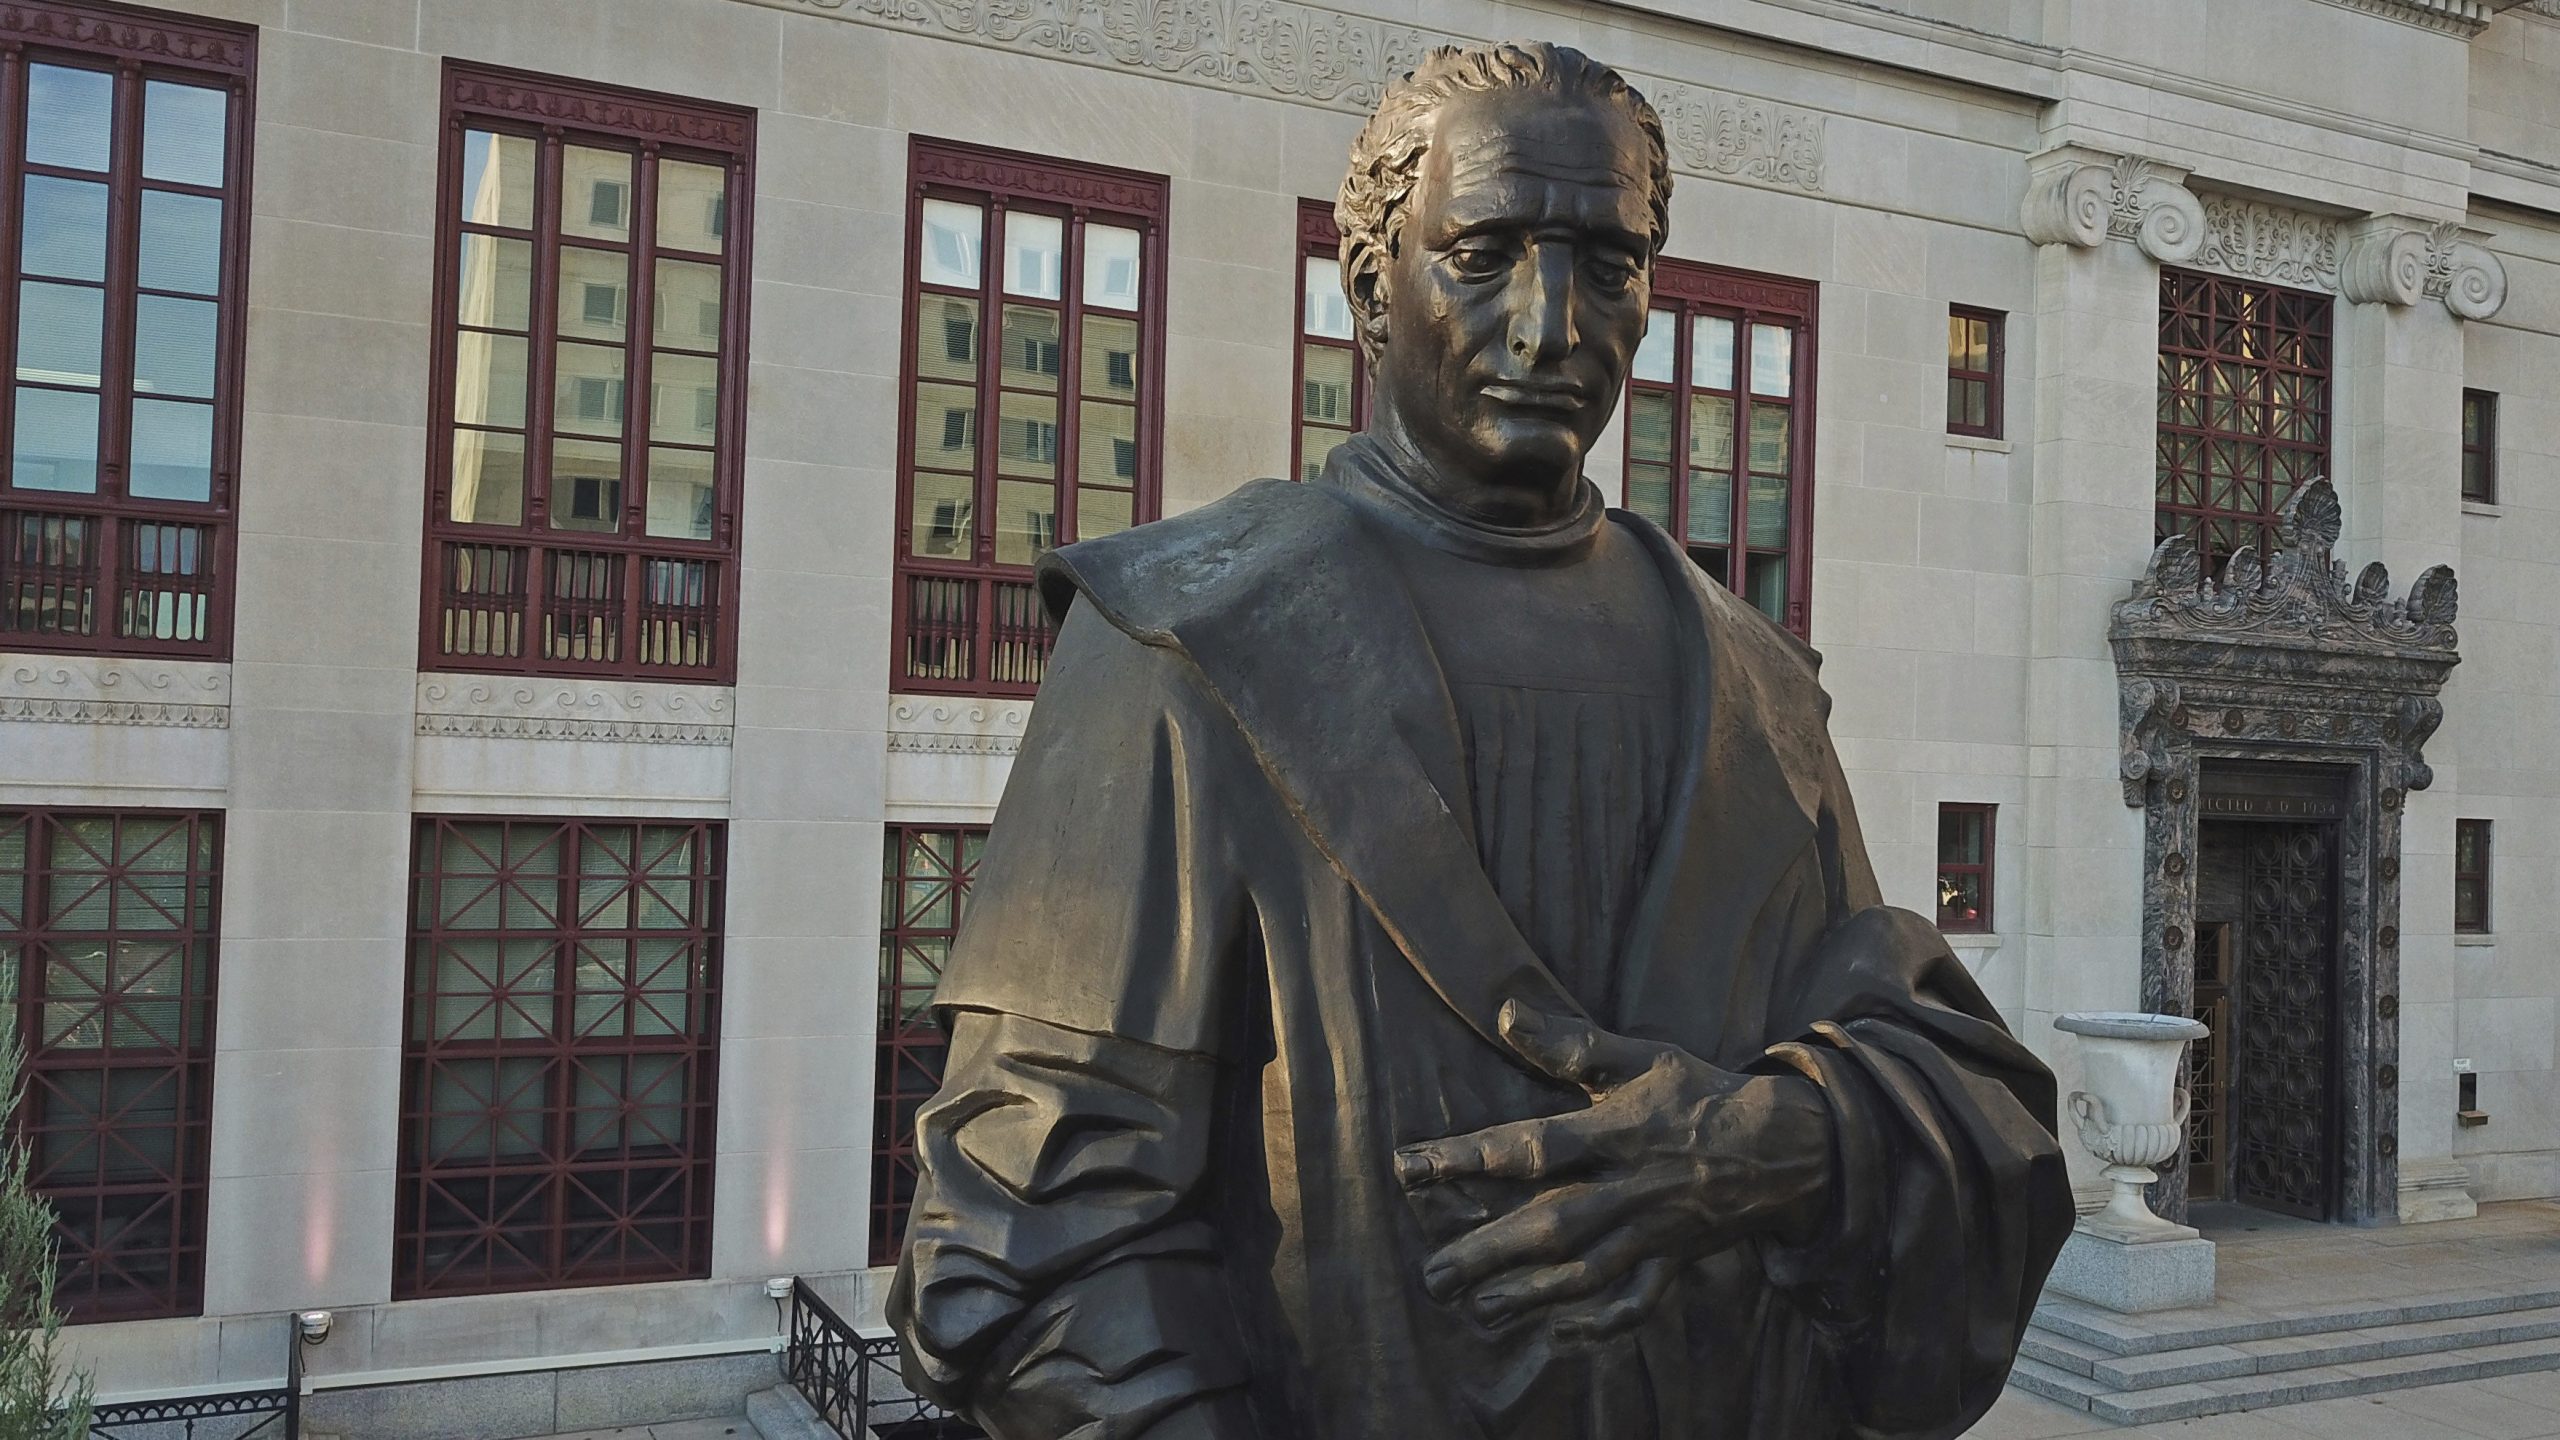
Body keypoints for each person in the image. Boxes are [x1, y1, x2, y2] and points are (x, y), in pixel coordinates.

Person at [888, 40, 2072, 1440]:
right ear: (1369, 283)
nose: (1553, 324)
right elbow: (1029, 1237)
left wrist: (1795, 1142)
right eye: (1485, 253)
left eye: (1609, 265)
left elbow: (1939, 1080)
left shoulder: (1757, 686)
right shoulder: (1181, 642)